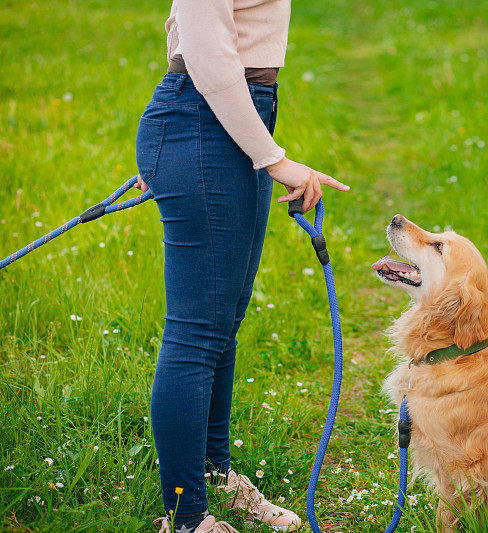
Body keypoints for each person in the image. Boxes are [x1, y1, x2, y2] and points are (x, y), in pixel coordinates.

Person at [134, 1, 349, 531]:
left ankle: (215, 477)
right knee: (196, 334)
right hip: (205, 119)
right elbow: (205, 48)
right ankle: (186, 518)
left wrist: (251, 144)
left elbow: (183, 22)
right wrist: (271, 158)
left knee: (221, 324)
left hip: (226, 118)